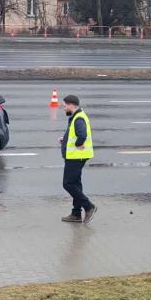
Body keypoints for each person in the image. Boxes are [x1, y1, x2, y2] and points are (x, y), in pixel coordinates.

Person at [59, 94, 96, 223]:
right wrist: (65, 140)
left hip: (76, 156)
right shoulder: (76, 116)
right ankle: (76, 213)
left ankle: (89, 206)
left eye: (64, 106)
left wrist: (77, 144)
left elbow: (82, 135)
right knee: (75, 184)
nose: (64, 108)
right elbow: (75, 134)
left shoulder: (79, 118)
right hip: (76, 156)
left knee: (68, 184)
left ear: (70, 105)